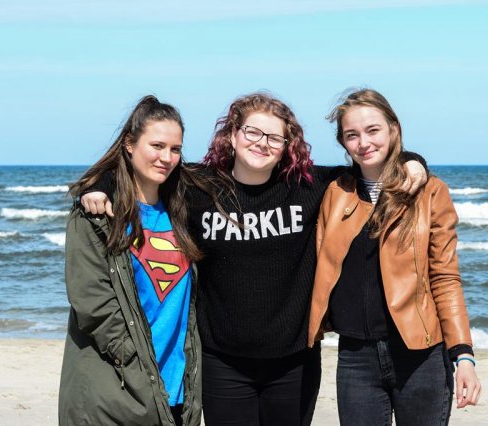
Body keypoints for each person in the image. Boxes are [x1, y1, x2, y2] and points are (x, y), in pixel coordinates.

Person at [80, 92, 428, 425]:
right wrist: (101, 185)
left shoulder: (308, 187)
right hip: (222, 364)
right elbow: (146, 170)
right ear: (232, 135)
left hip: (294, 364)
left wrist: (412, 161)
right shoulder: (198, 187)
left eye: (274, 138)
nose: (262, 143)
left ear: (286, 147)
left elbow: (369, 166)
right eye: (252, 132)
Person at [307, 89, 481, 425]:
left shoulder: (429, 192)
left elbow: (445, 277)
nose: (363, 143)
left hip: (420, 355)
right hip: (355, 357)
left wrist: (464, 355)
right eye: (352, 135)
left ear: (393, 129)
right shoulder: (334, 193)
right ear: (343, 142)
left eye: (373, 130)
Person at [59, 95, 201, 425]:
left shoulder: (184, 209)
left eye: (175, 149)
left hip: (176, 388)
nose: (166, 157)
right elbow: (92, 302)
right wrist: (134, 360)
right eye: (157, 146)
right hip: (118, 388)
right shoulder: (97, 215)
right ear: (129, 144)